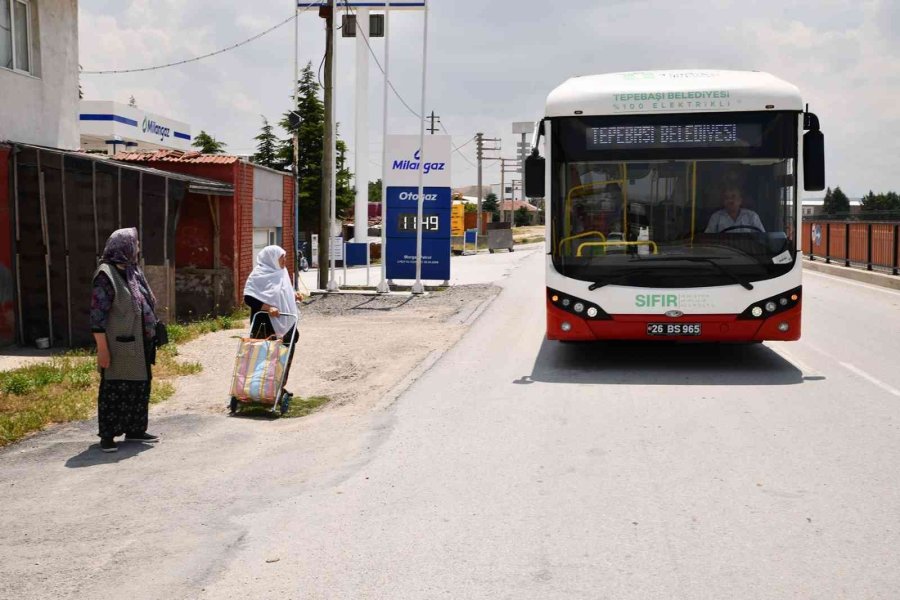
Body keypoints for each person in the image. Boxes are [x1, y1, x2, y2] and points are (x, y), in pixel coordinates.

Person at [91, 228, 160, 453]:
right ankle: (108, 436)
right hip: (119, 344)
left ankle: (135, 429)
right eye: (135, 243)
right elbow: (97, 317)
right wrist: (102, 350)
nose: (138, 247)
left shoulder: (132, 270)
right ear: (123, 246)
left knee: (140, 386)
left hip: (140, 344)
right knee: (115, 388)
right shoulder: (106, 274)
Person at [243, 246, 305, 393]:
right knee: (261, 356)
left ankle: (277, 387)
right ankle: (255, 388)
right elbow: (249, 298)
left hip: (285, 321)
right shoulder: (258, 275)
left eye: (285, 256)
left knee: (284, 354)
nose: (285, 260)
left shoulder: (281, 273)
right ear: (271, 259)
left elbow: (281, 292)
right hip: (264, 324)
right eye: (281, 257)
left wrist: (293, 295)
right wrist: (267, 307)